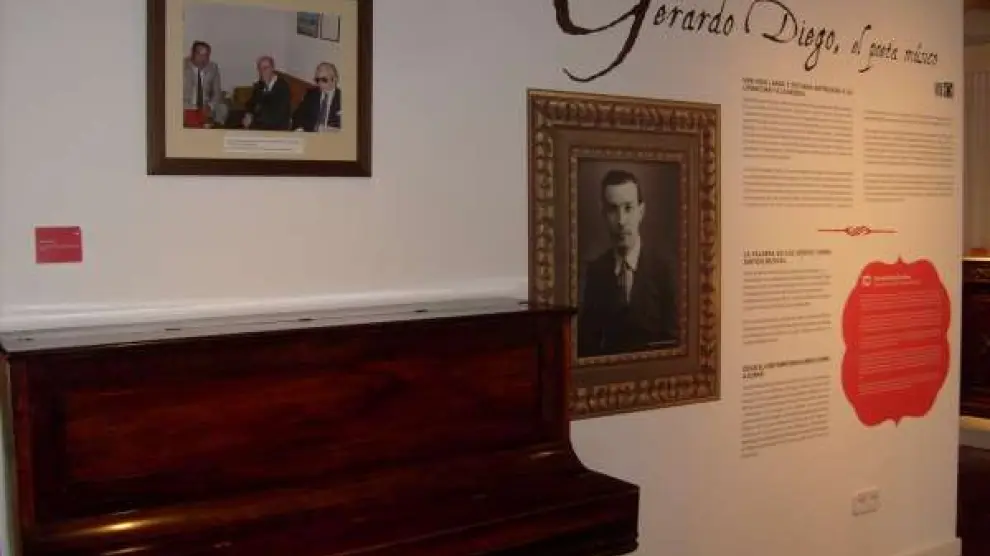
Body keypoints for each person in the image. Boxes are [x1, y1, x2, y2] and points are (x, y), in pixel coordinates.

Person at [577, 169, 678, 358]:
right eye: (612, 210)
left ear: (641, 211)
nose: (621, 221)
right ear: (603, 214)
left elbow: (675, 342)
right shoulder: (596, 271)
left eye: (628, 208)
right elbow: (586, 344)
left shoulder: (665, 270)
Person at [183, 41, 227, 128]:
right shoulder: (182, 66)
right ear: (192, 53)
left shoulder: (213, 67)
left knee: (223, 108)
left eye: (206, 55)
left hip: (205, 104)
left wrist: (210, 106)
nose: (203, 58)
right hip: (186, 105)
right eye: (200, 54)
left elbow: (217, 92)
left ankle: (214, 130)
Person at [241, 56, 292, 130]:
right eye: (260, 68)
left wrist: (253, 119)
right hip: (259, 125)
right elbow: (250, 103)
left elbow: (275, 116)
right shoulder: (260, 85)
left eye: (265, 68)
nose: (262, 71)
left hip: (276, 129)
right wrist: (249, 114)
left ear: (272, 68)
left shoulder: (282, 87)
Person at [292, 62, 342, 132]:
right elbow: (297, 115)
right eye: (317, 80)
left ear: (334, 79)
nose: (320, 83)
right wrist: (302, 129)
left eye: (324, 80)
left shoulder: (343, 99)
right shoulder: (311, 95)